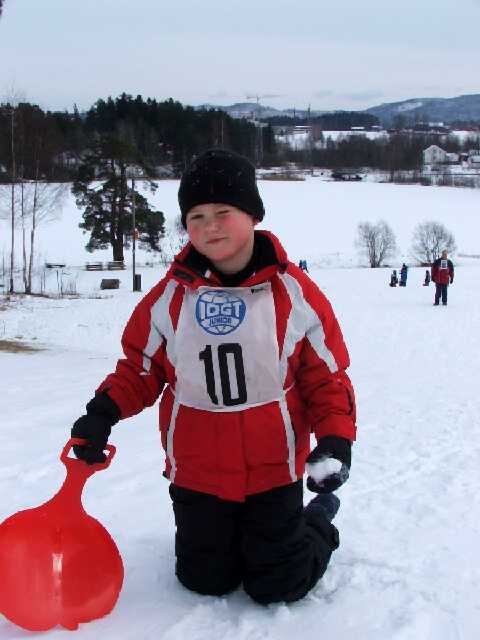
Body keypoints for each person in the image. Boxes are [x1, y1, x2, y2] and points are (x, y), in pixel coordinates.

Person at [71, 148, 356, 605]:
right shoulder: (170, 298)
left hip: (274, 467)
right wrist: (102, 413)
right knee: (205, 579)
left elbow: (327, 377)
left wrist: (336, 438)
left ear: (253, 214)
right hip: (198, 471)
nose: (210, 226)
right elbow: (141, 368)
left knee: (278, 585)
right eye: (196, 216)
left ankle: (318, 519)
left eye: (223, 212)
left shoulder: (294, 294)